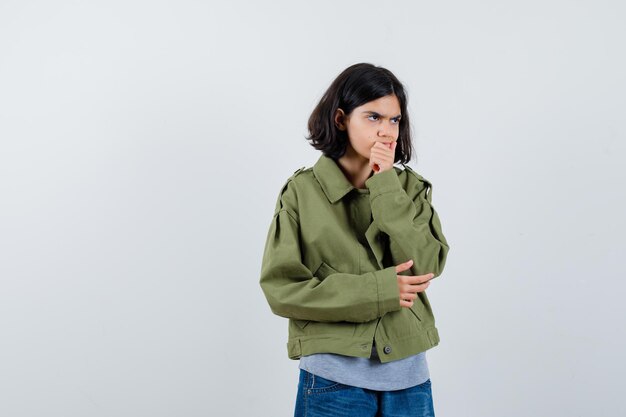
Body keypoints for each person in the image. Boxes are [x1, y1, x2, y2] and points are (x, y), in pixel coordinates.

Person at [259, 62, 450, 417]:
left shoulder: (409, 188)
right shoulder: (301, 193)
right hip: (333, 380)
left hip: (409, 380)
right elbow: (281, 289)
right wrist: (380, 292)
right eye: (373, 117)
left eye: (394, 120)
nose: (386, 131)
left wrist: (386, 185)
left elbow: (427, 266)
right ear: (341, 119)